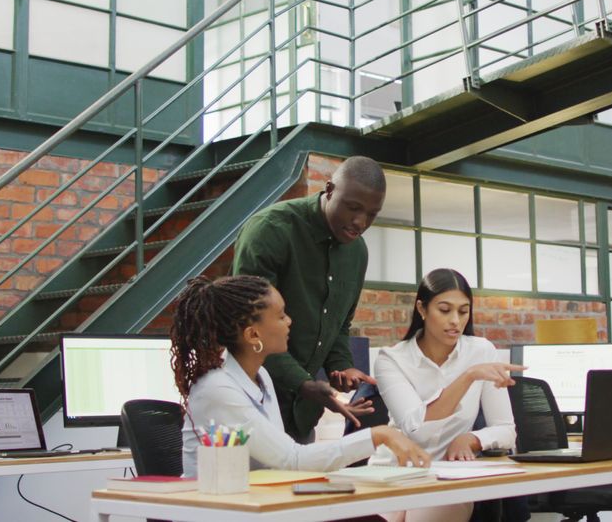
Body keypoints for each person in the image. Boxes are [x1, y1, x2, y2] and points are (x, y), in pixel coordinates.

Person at [171, 275, 429, 477]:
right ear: (253, 335)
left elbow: (282, 465)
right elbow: (291, 460)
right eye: (281, 315)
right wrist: (379, 435)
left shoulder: (260, 376)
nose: (289, 321)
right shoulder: (219, 389)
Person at [232, 156, 386, 442]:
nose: (360, 222)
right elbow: (249, 327)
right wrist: (303, 383)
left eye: (372, 214)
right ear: (329, 190)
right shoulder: (270, 231)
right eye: (353, 208)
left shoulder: (357, 253)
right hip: (249, 408)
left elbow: (338, 325)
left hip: (302, 417)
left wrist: (341, 365)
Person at [372, 268, 523, 522]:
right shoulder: (391, 359)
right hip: (390, 473)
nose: (455, 320)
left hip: (448, 476)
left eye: (463, 311)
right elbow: (416, 428)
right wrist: (468, 377)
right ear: (422, 309)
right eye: (445, 310)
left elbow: (506, 429)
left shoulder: (482, 351)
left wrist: (473, 438)